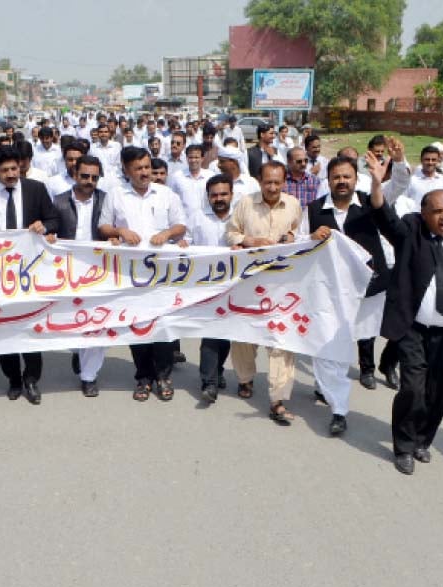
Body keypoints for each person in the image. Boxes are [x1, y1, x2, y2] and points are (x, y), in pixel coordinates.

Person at [368, 157, 443, 474]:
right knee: (413, 388)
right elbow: (384, 217)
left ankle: (422, 440)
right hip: (414, 329)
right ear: (424, 213)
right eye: (436, 211)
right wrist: (377, 184)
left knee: (438, 392)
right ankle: (402, 445)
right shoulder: (410, 234)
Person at [303, 155, 395, 435]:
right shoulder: (313, 210)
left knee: (371, 336)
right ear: (328, 181)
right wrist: (310, 238)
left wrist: (386, 175)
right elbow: (296, 245)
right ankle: (339, 410)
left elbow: (398, 187)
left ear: (356, 179)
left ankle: (349, 379)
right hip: (329, 294)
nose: (342, 182)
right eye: (336, 177)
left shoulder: (371, 202)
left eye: (347, 176)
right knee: (333, 350)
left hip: (369, 291)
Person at [98, 146, 187, 402]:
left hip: (163, 273)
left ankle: (163, 376)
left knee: (162, 324)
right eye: (138, 168)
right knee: (137, 324)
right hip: (130, 274)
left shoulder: (166, 194)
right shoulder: (116, 195)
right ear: (126, 170)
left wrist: (167, 234)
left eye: (147, 167)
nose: (145, 172)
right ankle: (143, 377)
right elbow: (103, 227)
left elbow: (181, 225)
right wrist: (119, 232)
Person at [0, 145, 59, 405]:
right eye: (5, 170)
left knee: (31, 326)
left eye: (14, 169)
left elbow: (54, 220)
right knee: (4, 327)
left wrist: (43, 226)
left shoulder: (36, 189)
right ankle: (12, 378)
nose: (11, 174)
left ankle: (31, 379)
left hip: (30, 272)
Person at [225, 161, 302, 424]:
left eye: (277, 183)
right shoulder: (246, 203)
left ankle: (278, 399)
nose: (272, 187)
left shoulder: (293, 204)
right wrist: (248, 241)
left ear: (284, 182)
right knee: (244, 337)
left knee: (281, 341)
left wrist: (291, 237)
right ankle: (245, 379)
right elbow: (230, 233)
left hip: (282, 284)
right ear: (259, 181)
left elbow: (299, 233)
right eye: (267, 182)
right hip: (249, 285)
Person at [48, 156, 107, 396]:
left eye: (94, 177)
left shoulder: (105, 200)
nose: (89, 181)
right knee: (71, 321)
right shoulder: (60, 201)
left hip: (99, 270)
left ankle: (89, 376)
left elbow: (112, 225)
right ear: (74, 175)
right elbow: (50, 227)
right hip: (67, 271)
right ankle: (77, 352)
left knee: (99, 322)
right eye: (85, 176)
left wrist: (113, 236)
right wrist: (49, 234)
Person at [182, 174, 234, 403]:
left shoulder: (240, 218)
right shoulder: (197, 217)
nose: (219, 198)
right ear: (208, 197)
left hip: (235, 285)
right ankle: (209, 382)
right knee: (210, 333)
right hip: (205, 285)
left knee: (226, 334)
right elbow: (186, 242)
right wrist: (182, 244)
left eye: (223, 194)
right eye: (214, 195)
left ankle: (218, 371)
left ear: (231, 194)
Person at [404, 145, 443, 212]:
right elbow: (403, 202)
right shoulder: (411, 181)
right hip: (416, 219)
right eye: (427, 159)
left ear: (438, 161)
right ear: (421, 160)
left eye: (433, 160)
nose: (430, 163)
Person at [170, 144, 213, 216]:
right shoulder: (177, 176)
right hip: (185, 220)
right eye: (190, 157)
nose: (193, 160)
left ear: (202, 158)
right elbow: (172, 200)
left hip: (206, 219)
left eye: (196, 157)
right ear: (186, 158)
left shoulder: (210, 176)